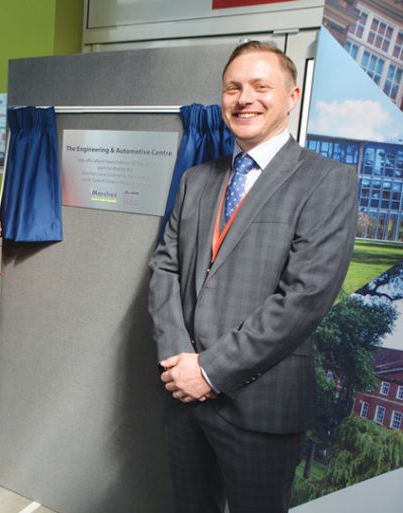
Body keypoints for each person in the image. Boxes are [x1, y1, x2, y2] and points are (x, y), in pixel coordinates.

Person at [147, 41, 358, 513]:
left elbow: (303, 298)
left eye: (262, 86)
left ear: (292, 95)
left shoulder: (327, 181)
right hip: (183, 396)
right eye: (233, 88)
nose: (246, 98)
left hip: (260, 405)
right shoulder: (197, 179)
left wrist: (209, 370)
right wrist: (178, 359)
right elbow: (165, 267)